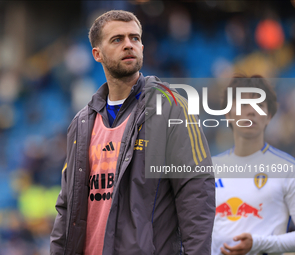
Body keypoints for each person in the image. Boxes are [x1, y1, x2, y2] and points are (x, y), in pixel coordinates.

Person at [50, 10, 215, 255]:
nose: (129, 45)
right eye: (117, 39)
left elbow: (196, 192)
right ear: (97, 54)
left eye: (134, 38)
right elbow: (67, 206)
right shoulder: (81, 123)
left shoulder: (171, 106)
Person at [212, 74, 295, 255]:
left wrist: (257, 243)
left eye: (260, 106)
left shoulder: (288, 169)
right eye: (243, 105)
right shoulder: (209, 169)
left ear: (269, 116)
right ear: (228, 114)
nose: (251, 111)